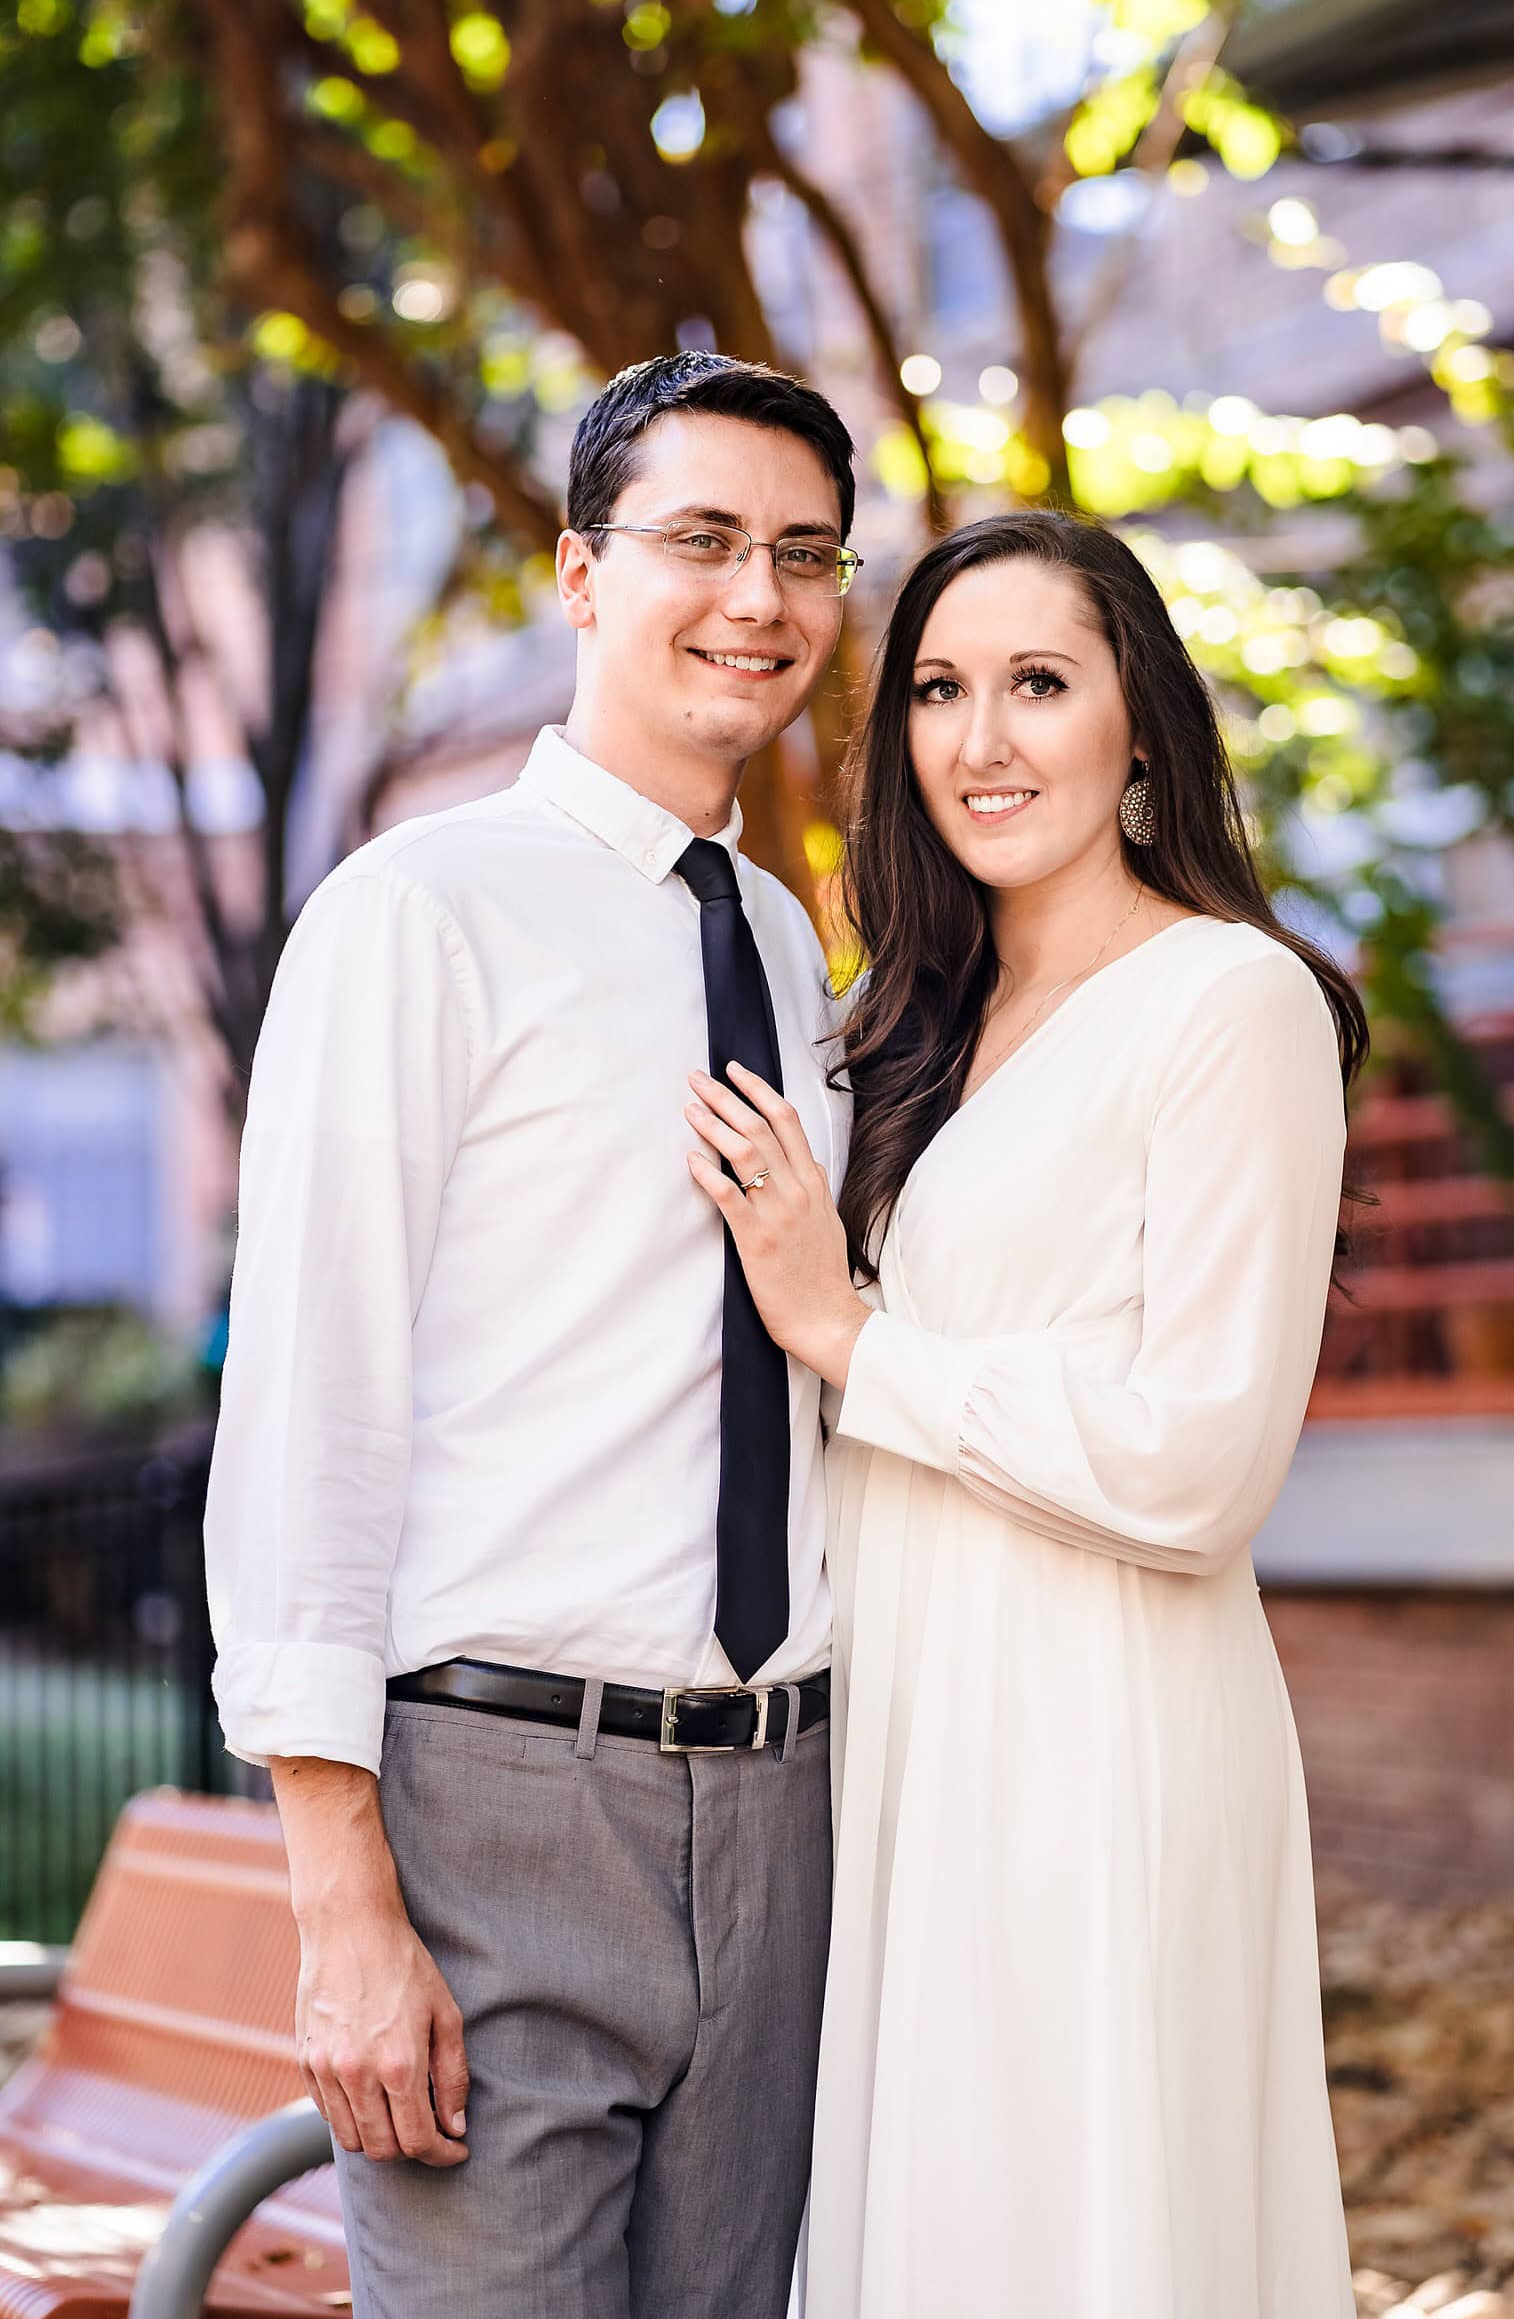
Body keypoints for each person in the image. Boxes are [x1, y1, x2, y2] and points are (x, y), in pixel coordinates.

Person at [204, 350, 862, 2319]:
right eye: (703, 541)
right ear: (580, 575)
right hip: (498, 1802)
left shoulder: (778, 943)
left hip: (782, 1803)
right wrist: (341, 1899)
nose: (758, 599)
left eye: (804, 558)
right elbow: (311, 1391)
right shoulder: (418, 913)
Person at [683, 509, 1366, 2319]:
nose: (981, 740)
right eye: (937, 690)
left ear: (1137, 722)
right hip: (904, 1733)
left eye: (1038, 685)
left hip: (1099, 1734)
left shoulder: (1232, 1004)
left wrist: (853, 1335)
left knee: (1080, 2230)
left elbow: (1204, 1460)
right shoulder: (906, 1027)